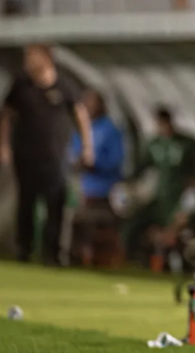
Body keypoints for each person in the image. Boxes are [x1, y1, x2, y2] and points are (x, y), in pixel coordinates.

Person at [0, 45, 94, 265]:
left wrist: (88, 147)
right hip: (26, 154)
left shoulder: (65, 86)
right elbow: (5, 115)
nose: (27, 62)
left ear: (46, 59)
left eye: (32, 57)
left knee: (56, 204)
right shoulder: (21, 86)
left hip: (56, 157)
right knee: (26, 203)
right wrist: (3, 146)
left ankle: (54, 254)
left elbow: (80, 116)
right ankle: (24, 249)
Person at [122, 107, 195, 265]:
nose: (162, 127)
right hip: (159, 197)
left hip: (180, 197)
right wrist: (126, 182)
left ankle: (174, 263)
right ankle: (132, 259)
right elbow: (140, 168)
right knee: (134, 223)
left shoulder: (185, 143)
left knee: (176, 229)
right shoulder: (154, 144)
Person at [68, 89, 125, 266]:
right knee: (77, 224)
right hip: (84, 188)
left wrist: (95, 164)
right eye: (85, 103)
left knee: (95, 226)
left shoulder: (110, 130)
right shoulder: (83, 129)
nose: (88, 107)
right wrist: (78, 162)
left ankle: (101, 260)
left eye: (91, 103)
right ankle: (77, 259)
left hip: (105, 191)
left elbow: (116, 159)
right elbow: (73, 153)